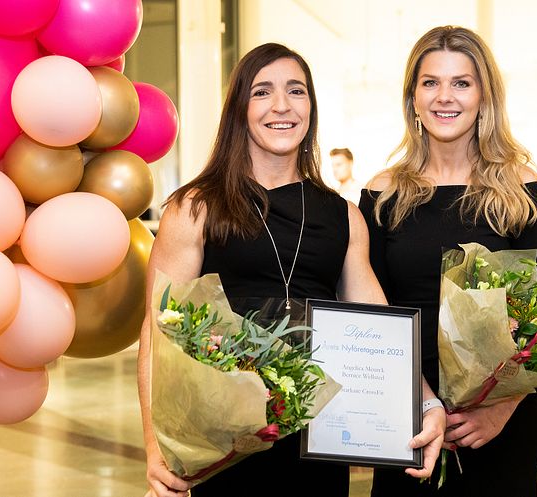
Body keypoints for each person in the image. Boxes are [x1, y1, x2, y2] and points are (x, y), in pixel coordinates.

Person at [137, 43, 445, 497]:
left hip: (318, 437)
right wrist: (156, 447)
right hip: (222, 442)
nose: (281, 105)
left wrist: (425, 401)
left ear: (310, 108)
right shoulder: (196, 207)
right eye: (263, 92)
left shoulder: (343, 216)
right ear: (240, 108)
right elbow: (157, 334)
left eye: (296, 91)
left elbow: (379, 328)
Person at [359, 26, 537, 497]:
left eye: (462, 83)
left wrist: (502, 405)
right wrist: (419, 401)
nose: (444, 97)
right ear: (412, 96)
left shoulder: (520, 186)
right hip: (406, 414)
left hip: (502, 417)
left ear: (483, 95)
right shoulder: (382, 193)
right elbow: (372, 314)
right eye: (430, 82)